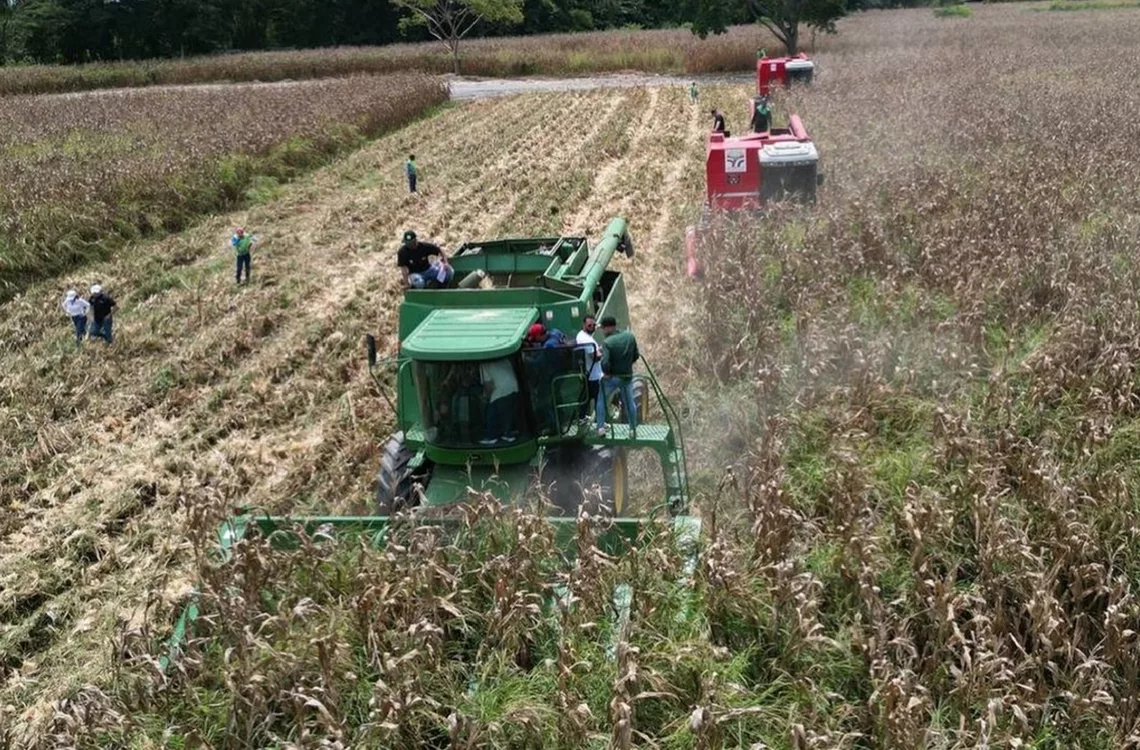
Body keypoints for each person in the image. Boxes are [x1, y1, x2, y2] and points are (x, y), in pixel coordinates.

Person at [596, 316, 640, 438]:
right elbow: (636, 355)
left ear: (609, 327)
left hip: (613, 378)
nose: (603, 331)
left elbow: (605, 362)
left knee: (601, 399)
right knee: (629, 402)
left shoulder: (607, 342)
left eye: (603, 328)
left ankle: (600, 428)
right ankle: (632, 429)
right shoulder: (629, 336)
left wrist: (606, 373)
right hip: (627, 377)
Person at [479, 356, 519, 445]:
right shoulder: (504, 359)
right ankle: (507, 434)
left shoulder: (483, 365)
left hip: (500, 390)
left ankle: (492, 436)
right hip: (514, 387)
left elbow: (489, 385)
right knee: (507, 413)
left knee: (491, 412)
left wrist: (485, 397)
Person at [576, 315, 603, 420]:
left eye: (593, 325)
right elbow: (595, 357)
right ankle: (600, 422)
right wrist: (604, 350)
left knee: (586, 398)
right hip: (594, 375)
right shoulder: (586, 340)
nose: (592, 327)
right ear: (584, 325)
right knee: (598, 399)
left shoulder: (581, 335)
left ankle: (581, 418)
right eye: (589, 325)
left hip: (589, 373)